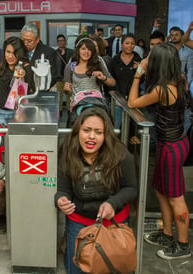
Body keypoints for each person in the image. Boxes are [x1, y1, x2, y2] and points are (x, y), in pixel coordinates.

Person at [55, 107, 137, 274]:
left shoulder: (120, 154)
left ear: (105, 135)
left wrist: (112, 204)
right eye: (86, 130)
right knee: (75, 268)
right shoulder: (67, 152)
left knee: (114, 267)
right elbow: (63, 189)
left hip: (115, 223)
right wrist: (60, 200)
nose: (91, 136)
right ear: (78, 131)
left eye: (98, 132)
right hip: (79, 222)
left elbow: (131, 188)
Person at [128, 43, 191, 259]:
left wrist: (138, 74)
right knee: (162, 191)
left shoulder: (162, 90)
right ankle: (166, 234)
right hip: (173, 143)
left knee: (176, 197)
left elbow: (132, 102)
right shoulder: (179, 80)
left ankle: (183, 246)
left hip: (172, 146)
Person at [63, 38, 115, 123]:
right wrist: (66, 90)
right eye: (83, 49)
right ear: (78, 50)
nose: (86, 52)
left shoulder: (98, 63)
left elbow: (112, 83)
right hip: (78, 109)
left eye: (89, 49)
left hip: (97, 106)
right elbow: (68, 91)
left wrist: (103, 78)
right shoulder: (71, 66)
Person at [0, 37, 35, 125]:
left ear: (20, 53)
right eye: (8, 52)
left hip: (17, 113)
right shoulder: (2, 64)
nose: (10, 56)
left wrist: (22, 77)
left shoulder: (26, 68)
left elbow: (27, 91)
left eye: (14, 53)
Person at [109, 33, 141, 128]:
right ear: (122, 44)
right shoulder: (115, 60)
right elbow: (111, 78)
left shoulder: (138, 60)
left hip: (134, 100)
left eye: (132, 43)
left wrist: (140, 70)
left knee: (133, 130)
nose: (130, 46)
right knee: (116, 127)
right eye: (127, 43)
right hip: (118, 100)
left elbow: (142, 81)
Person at [20, 23, 58, 90]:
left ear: (37, 40)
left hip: (39, 93)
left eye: (29, 41)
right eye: (23, 40)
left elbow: (53, 77)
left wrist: (35, 88)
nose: (25, 44)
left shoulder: (48, 52)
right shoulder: (19, 50)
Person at [54, 34, 74, 112]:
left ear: (65, 42)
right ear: (57, 42)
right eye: (59, 41)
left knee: (69, 95)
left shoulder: (71, 52)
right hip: (59, 77)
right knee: (59, 96)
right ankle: (60, 111)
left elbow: (73, 64)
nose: (61, 42)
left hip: (68, 78)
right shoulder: (55, 53)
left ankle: (70, 110)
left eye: (62, 40)